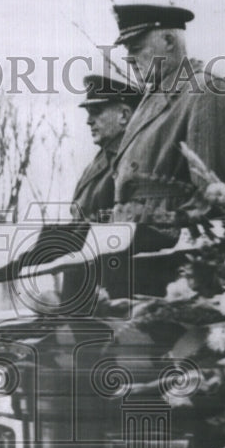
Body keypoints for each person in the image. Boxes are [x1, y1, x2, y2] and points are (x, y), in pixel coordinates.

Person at [110, 4, 225, 295]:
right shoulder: (152, 98)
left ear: (169, 41)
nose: (129, 59)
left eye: (136, 48)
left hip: (173, 263)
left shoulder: (206, 92)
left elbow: (216, 199)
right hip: (136, 251)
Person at [62, 73, 142, 307]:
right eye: (88, 113)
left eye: (96, 112)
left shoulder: (135, 160)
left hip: (112, 288)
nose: (89, 121)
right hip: (82, 282)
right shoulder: (99, 161)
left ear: (124, 115)